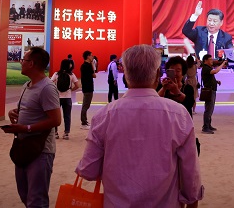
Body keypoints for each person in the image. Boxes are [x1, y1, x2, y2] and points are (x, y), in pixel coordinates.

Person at [76, 45, 204, 207]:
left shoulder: (104, 116)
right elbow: (190, 173)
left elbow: (88, 170)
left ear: (126, 74)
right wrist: (192, 200)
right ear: (158, 74)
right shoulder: (178, 115)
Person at [2, 47, 61, 208]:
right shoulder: (27, 85)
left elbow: (56, 120)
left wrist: (26, 128)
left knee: (36, 200)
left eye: (24, 60)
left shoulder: (47, 88)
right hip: (24, 146)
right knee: (25, 195)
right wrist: (15, 113)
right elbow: (30, 110)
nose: (21, 63)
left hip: (40, 150)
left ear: (32, 63)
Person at [51, 59, 80, 140]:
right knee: (67, 115)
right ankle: (66, 133)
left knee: (55, 115)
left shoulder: (56, 74)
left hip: (57, 98)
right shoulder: (71, 75)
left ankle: (55, 132)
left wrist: (55, 90)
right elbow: (77, 85)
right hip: (67, 97)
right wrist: (71, 89)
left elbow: (50, 83)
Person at [200, 54, 226, 134]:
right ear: (205, 60)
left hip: (211, 90)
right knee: (208, 109)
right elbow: (215, 71)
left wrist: (216, 81)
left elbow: (210, 77)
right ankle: (206, 127)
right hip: (209, 91)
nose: (212, 61)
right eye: (210, 59)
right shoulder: (206, 68)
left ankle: (208, 125)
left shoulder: (207, 68)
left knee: (210, 109)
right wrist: (222, 64)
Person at [80, 50, 96, 129]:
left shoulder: (83, 65)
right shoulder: (88, 65)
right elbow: (94, 75)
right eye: (91, 55)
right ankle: (83, 122)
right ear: (88, 56)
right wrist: (92, 64)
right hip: (88, 87)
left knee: (85, 104)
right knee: (86, 105)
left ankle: (84, 121)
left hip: (85, 87)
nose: (92, 57)